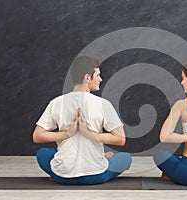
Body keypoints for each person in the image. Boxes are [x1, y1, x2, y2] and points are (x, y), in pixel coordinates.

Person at [33, 56, 132, 185]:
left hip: (63, 177)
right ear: (87, 78)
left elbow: (37, 136)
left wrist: (67, 133)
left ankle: (57, 172)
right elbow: (120, 139)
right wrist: (88, 134)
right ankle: (99, 161)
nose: (100, 79)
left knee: (43, 153)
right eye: (97, 75)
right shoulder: (103, 104)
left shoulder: (56, 102)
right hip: (96, 176)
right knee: (125, 158)